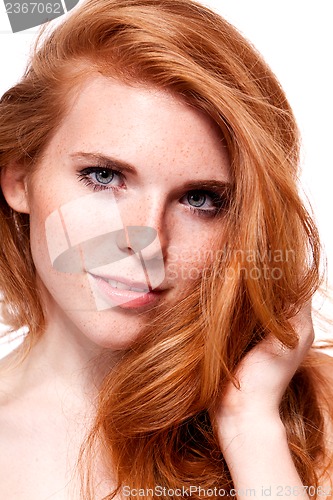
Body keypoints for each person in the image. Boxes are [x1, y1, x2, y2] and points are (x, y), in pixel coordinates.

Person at [0, 0, 332, 498]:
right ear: (20, 178)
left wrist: (252, 425)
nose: (147, 241)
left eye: (200, 200)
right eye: (104, 176)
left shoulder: (316, 412)